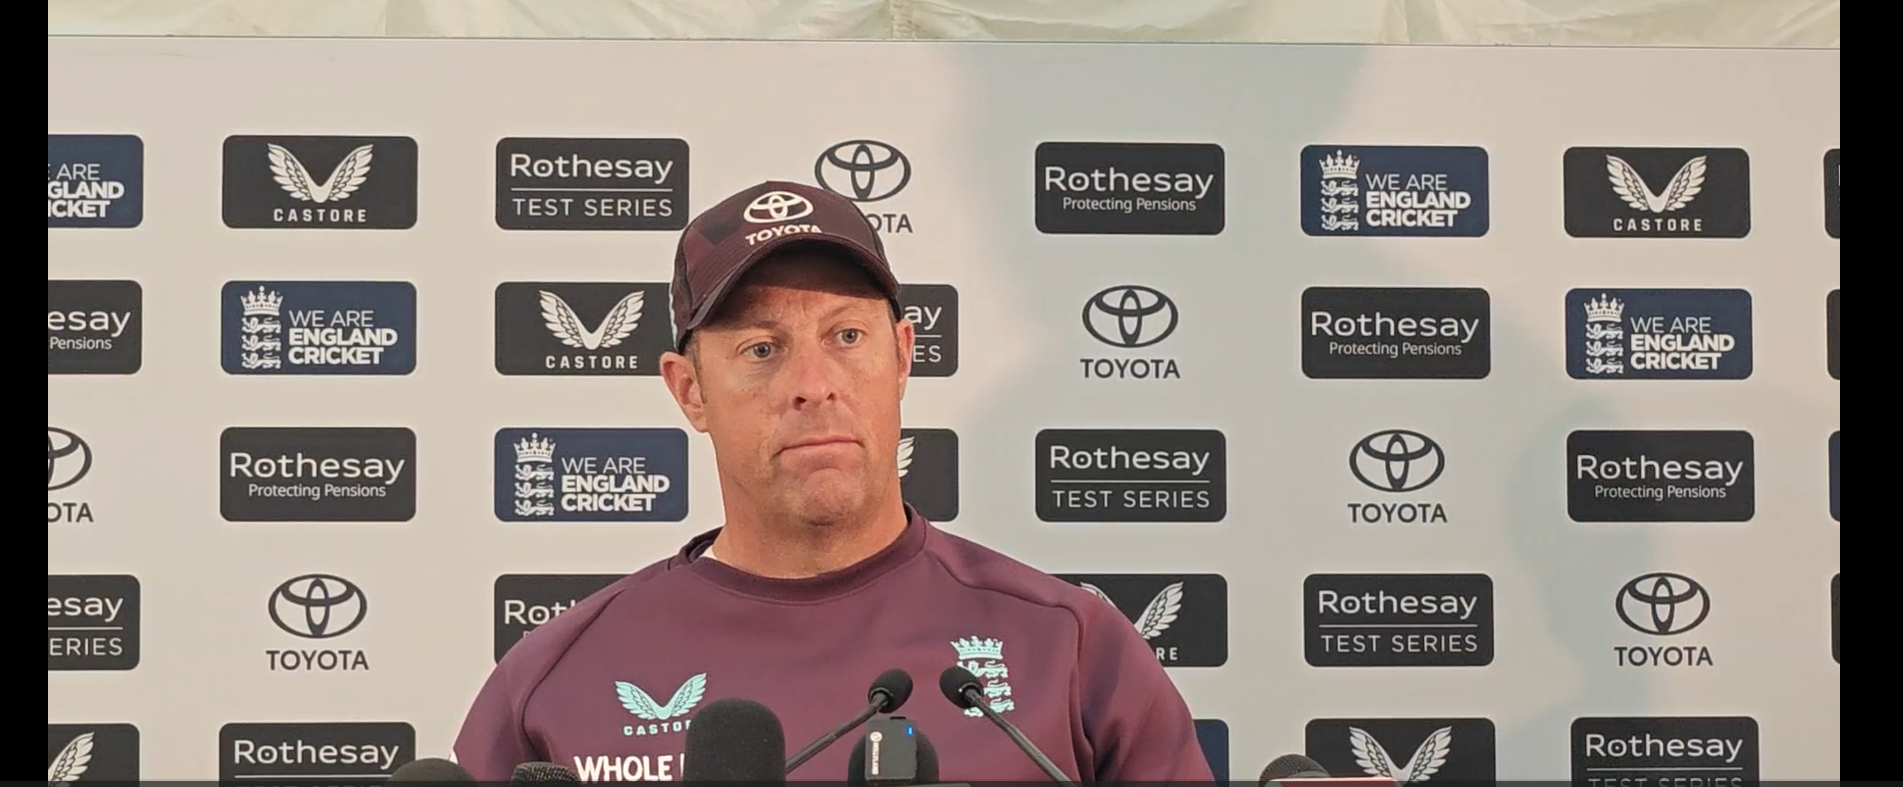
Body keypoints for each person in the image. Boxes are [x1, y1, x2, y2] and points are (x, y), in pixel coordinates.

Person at [453, 181, 1214, 782]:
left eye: (846, 336)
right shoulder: (554, 679)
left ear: (902, 356)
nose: (813, 385)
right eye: (761, 348)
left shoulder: (1071, 645)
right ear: (690, 390)